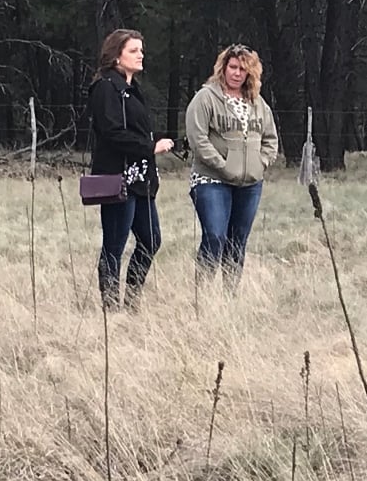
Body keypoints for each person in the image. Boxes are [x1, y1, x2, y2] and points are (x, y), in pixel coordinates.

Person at [88, 29, 174, 310]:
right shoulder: (105, 88)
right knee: (114, 245)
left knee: (151, 240)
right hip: (117, 177)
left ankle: (132, 301)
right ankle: (110, 308)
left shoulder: (132, 90)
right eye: (133, 50)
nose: (141, 55)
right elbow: (111, 132)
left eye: (141, 50)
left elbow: (136, 129)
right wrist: (150, 147)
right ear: (116, 56)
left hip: (142, 179)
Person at [185, 44, 279, 289]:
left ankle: (230, 297)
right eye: (233, 67)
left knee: (238, 242)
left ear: (251, 73)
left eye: (243, 69)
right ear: (223, 68)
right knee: (215, 236)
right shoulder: (205, 98)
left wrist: (262, 163)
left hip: (249, 183)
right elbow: (198, 139)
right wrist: (222, 165)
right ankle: (202, 293)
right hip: (211, 181)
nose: (237, 73)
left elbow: (271, 139)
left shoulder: (258, 103)